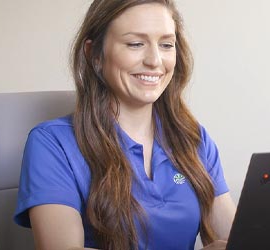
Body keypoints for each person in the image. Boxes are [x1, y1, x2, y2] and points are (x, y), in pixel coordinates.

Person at [14, 0, 236, 249]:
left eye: (166, 45)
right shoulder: (52, 144)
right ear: (94, 54)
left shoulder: (194, 139)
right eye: (135, 44)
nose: (155, 60)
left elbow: (239, 237)